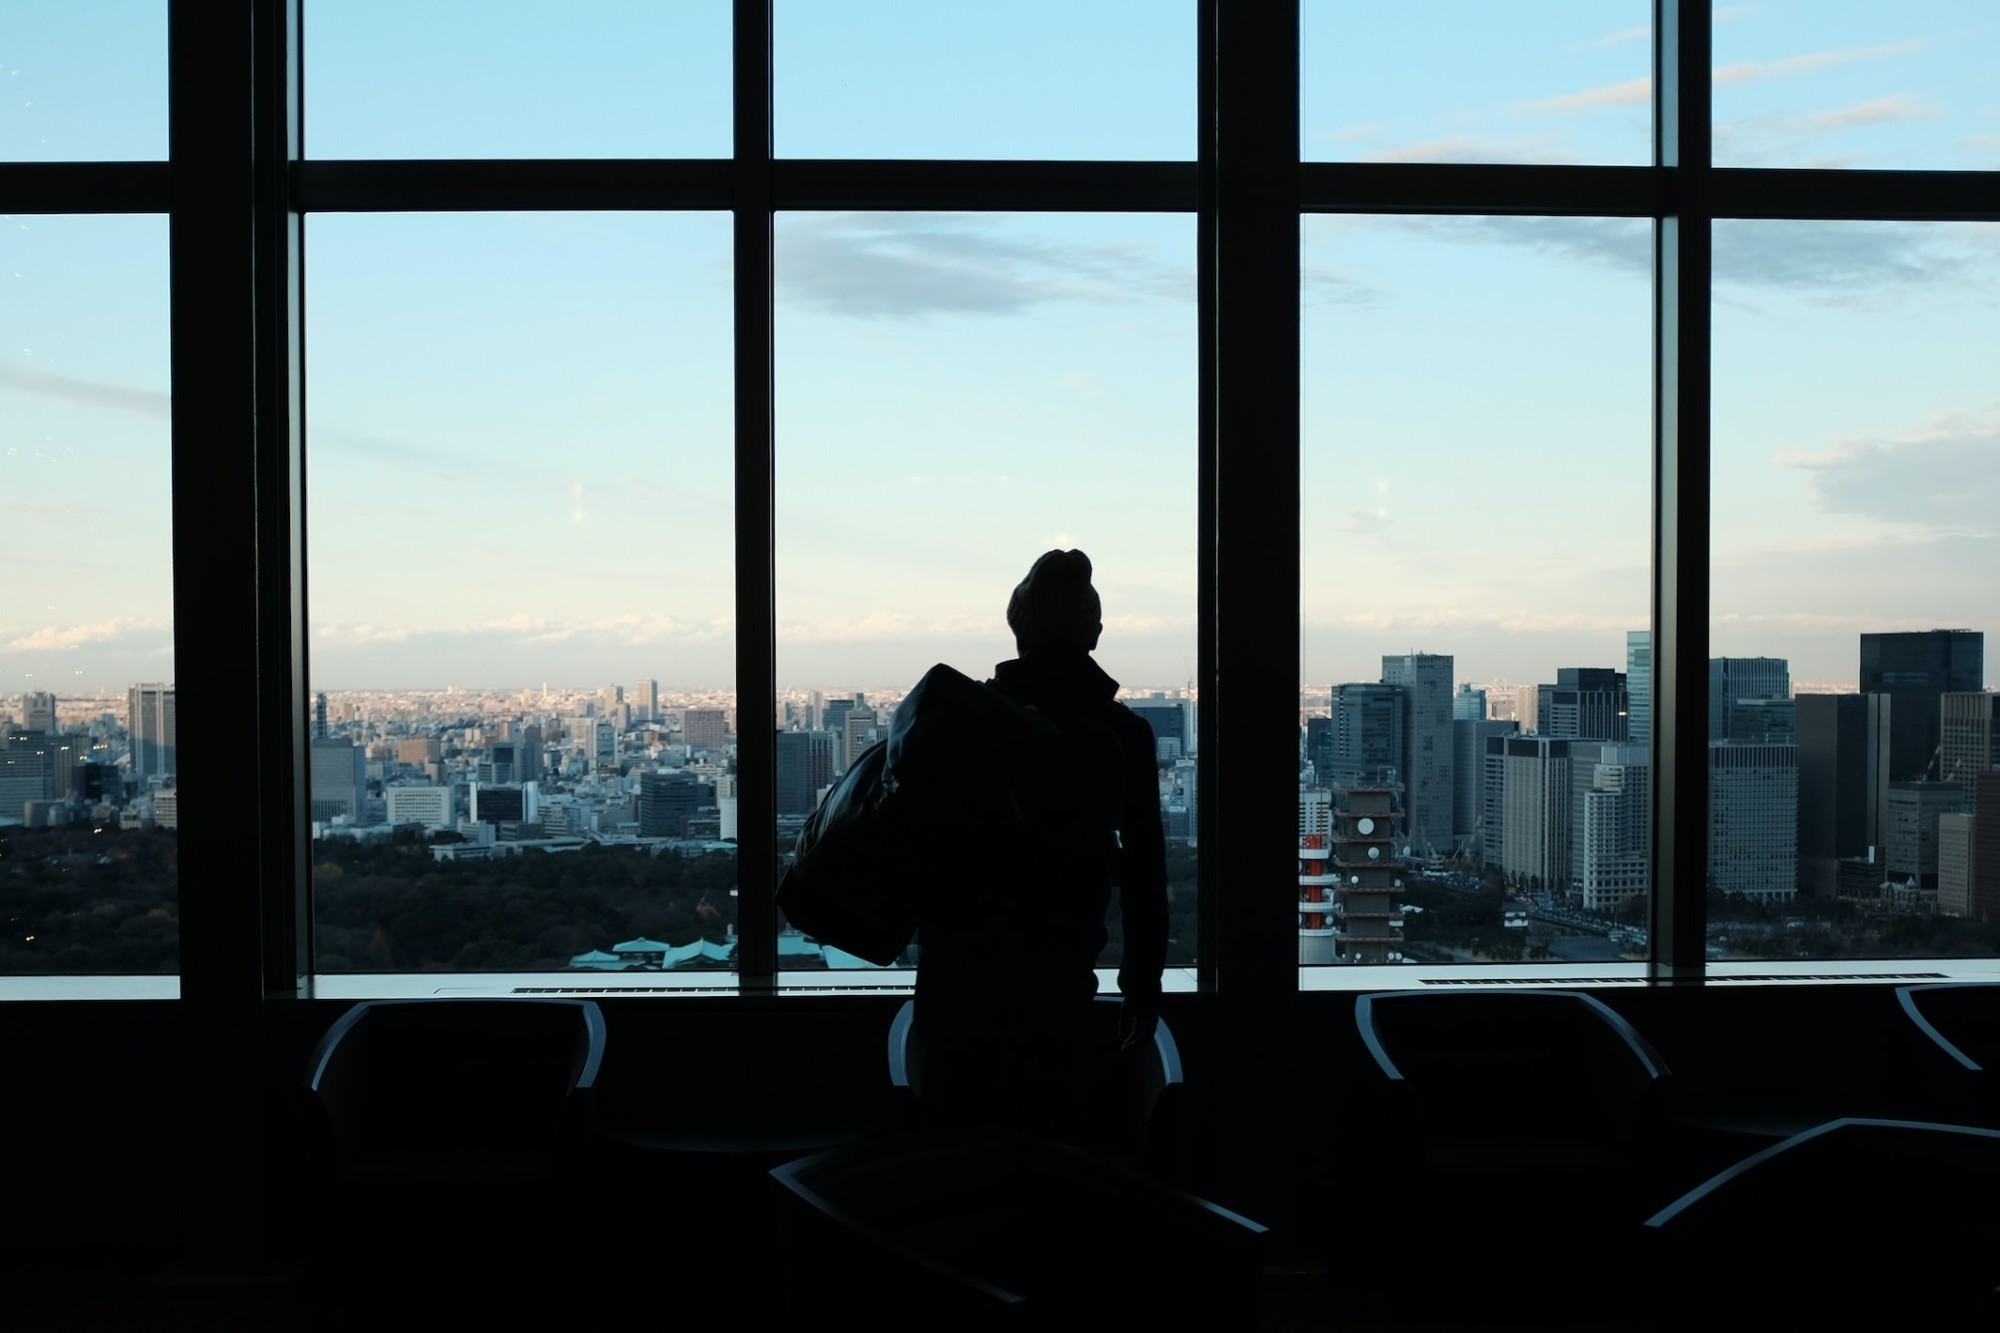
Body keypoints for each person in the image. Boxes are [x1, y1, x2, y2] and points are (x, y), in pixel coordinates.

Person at [911, 549, 1169, 1140]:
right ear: (1093, 633)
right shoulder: (1122, 733)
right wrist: (1142, 985)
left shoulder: (965, 716)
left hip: (953, 969)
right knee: (1047, 1151)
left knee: (953, 1146)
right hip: (1057, 972)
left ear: (1017, 628)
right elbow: (1146, 871)